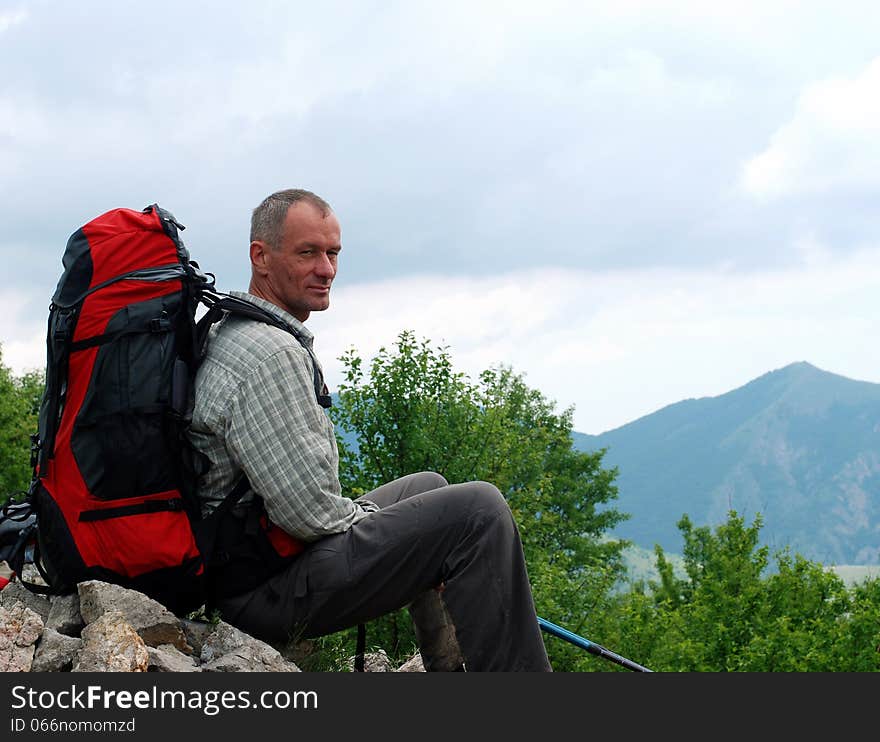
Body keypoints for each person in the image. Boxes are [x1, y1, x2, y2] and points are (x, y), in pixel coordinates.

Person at [188, 188, 552, 671]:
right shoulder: (270, 355)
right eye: (308, 253)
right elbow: (310, 516)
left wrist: (414, 538)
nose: (327, 269)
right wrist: (404, 537)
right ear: (261, 256)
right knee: (478, 511)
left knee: (429, 489)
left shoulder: (233, 328)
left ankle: (451, 671)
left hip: (248, 563)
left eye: (333, 253)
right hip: (261, 590)